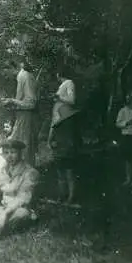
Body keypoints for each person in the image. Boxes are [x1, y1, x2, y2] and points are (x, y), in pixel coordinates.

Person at [46, 72, 81, 205]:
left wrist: (58, 97)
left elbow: (71, 100)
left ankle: (71, 196)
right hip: (60, 146)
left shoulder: (70, 122)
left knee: (69, 172)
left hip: (68, 146)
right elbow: (53, 127)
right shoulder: (58, 122)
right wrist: (50, 141)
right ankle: (62, 195)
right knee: (61, 172)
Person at [0, 60, 38, 164]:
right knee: (19, 146)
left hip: (27, 117)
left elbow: (31, 103)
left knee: (24, 146)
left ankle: (28, 174)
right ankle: (20, 173)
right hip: (21, 116)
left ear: (13, 69)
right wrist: (11, 103)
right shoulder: (20, 77)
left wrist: (12, 100)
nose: (7, 77)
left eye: (6, 73)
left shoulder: (25, 76)